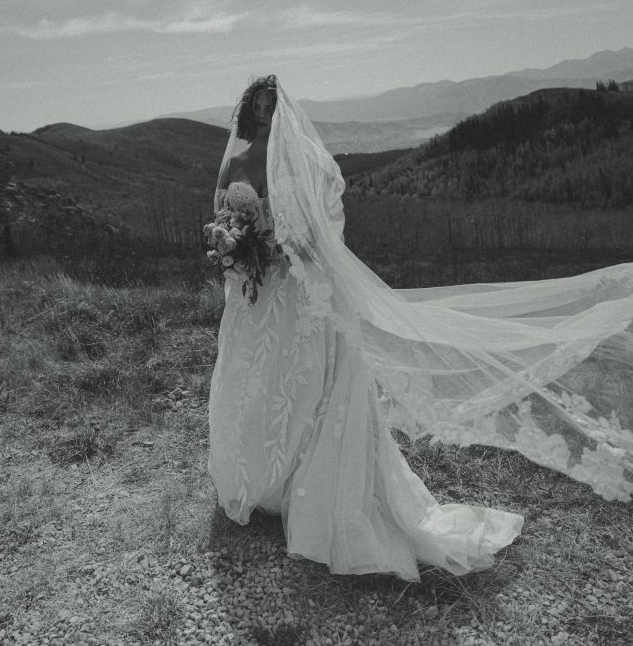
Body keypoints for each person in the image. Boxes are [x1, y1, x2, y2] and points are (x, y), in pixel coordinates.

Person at [208, 74, 633, 579]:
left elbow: (321, 218)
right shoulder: (236, 161)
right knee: (258, 380)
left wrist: (286, 245)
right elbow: (224, 218)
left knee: (304, 382)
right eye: (256, 106)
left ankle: (308, 486)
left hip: (299, 288)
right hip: (255, 296)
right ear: (245, 111)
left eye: (270, 107)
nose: (263, 114)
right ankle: (261, 482)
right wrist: (231, 250)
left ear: (281, 113)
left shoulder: (298, 160)